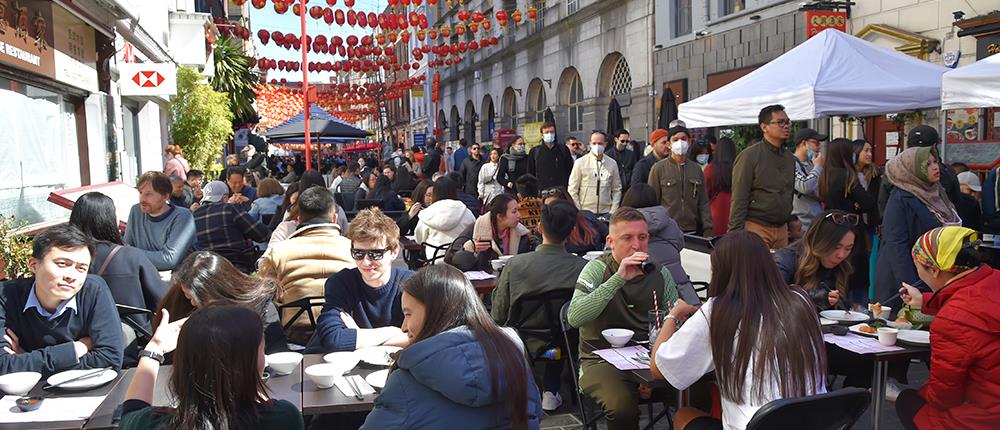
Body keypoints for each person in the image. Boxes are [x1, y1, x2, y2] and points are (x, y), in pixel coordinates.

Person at [651, 230, 827, 430]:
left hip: (759, 424)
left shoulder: (718, 310)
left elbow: (659, 369)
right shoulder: (800, 300)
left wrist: (672, 315)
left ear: (721, 270)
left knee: (684, 415)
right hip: (814, 421)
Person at [360, 265, 543, 430]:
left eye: (408, 314)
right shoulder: (514, 355)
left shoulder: (406, 383)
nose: (404, 326)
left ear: (437, 313)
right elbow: (534, 415)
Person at [568, 208, 679, 430]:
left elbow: (673, 321)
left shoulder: (659, 273)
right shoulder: (597, 269)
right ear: (610, 242)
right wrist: (618, 279)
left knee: (699, 389)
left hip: (650, 357)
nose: (637, 245)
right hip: (600, 359)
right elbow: (575, 317)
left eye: (643, 237)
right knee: (622, 407)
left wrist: (654, 370)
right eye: (627, 238)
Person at [120, 305, 303, 430]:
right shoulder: (281, 418)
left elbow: (130, 413)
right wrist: (252, 389)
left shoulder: (151, 424)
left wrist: (154, 348)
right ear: (247, 364)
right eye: (261, 350)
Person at [895, 227, 1000, 430]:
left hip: (984, 416)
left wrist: (923, 393)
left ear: (934, 269)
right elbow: (976, 304)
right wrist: (925, 300)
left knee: (907, 401)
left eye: (919, 268)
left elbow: (944, 397)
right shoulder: (993, 278)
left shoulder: (951, 321)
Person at [491, 200, 587, 412]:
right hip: (564, 347)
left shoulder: (515, 265)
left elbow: (498, 315)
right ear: (572, 232)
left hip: (524, 346)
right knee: (560, 333)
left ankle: (529, 388)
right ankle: (551, 389)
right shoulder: (583, 268)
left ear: (540, 228)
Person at [0, 225, 124, 375]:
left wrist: (24, 360)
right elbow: (2, 365)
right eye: (62, 264)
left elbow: (110, 360)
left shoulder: (93, 290)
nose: (71, 276)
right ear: (33, 265)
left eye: (81, 268)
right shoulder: (5, 295)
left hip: (85, 392)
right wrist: (75, 349)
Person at [70, 192, 167, 354]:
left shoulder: (64, 260)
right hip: (131, 345)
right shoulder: (130, 256)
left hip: (81, 346)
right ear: (109, 220)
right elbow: (164, 301)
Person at [306, 208, 413, 353]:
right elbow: (333, 339)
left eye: (375, 254)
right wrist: (391, 332)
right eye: (358, 253)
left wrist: (358, 335)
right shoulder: (340, 283)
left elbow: (424, 337)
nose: (366, 262)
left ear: (394, 252)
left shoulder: (411, 284)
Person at [258, 187, 355, 334]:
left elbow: (263, 292)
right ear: (334, 218)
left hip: (294, 332)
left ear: (298, 219)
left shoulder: (277, 252)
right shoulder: (355, 251)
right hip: (345, 330)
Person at [876, 146, 961, 309]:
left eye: (935, 161)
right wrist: (912, 286)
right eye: (927, 164)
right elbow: (895, 244)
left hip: (934, 277)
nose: (935, 167)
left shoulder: (937, 193)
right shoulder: (900, 197)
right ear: (912, 169)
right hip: (906, 279)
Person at [154, 251, 287, 354]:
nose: (193, 303)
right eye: (189, 297)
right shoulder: (182, 305)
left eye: (197, 298)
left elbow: (278, 354)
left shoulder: (261, 308)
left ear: (222, 291)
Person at [729, 105, 797, 249]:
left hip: (782, 228)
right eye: (780, 122)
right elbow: (740, 196)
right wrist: (735, 233)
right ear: (764, 127)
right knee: (758, 270)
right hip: (756, 226)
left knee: (780, 270)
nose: (786, 126)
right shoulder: (749, 156)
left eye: (788, 122)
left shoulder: (789, 158)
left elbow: (788, 193)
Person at [774, 210, 856, 311]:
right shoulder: (786, 260)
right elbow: (772, 299)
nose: (841, 255)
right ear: (817, 242)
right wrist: (813, 298)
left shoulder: (843, 266)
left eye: (848, 248)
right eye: (835, 247)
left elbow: (845, 312)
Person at [878, 125, 962, 215]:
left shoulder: (894, 170)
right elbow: (956, 203)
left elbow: (883, 205)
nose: (934, 167)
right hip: (939, 225)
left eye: (933, 162)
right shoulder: (944, 171)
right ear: (934, 146)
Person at [192, 181, 271, 273]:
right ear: (225, 197)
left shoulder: (194, 215)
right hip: (237, 267)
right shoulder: (230, 209)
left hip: (206, 270)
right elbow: (262, 234)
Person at [124, 171, 196, 271]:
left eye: (149, 194)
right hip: (144, 275)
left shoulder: (182, 216)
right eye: (140, 193)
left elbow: (169, 260)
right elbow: (126, 248)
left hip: (177, 280)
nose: (142, 199)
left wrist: (132, 254)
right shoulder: (136, 211)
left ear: (165, 196)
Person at [648, 125, 712, 235]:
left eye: (683, 139)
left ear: (689, 142)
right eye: (675, 140)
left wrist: (708, 227)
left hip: (692, 229)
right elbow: (652, 201)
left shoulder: (696, 169)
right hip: (666, 229)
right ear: (669, 144)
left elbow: (703, 202)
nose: (680, 143)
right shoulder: (658, 168)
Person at [621, 183, 690, 286]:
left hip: (642, 284)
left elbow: (611, 254)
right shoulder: (670, 223)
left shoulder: (623, 224)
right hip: (676, 281)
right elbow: (679, 245)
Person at [447, 194, 532, 271]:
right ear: (499, 216)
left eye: (518, 210)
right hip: (482, 283)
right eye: (514, 212)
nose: (519, 215)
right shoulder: (477, 228)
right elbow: (449, 258)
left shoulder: (522, 234)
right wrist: (470, 248)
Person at [415, 176, 476, 263]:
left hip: (435, 260)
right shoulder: (466, 212)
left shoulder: (428, 213)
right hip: (460, 259)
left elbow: (419, 239)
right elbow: (473, 234)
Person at [568, 131, 622, 217]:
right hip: (585, 212)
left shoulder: (612, 163)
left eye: (600, 143)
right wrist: (579, 210)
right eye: (594, 143)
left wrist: (613, 211)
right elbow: (572, 189)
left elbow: (616, 189)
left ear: (605, 144)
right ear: (590, 144)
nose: (597, 146)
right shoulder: (580, 163)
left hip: (606, 212)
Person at [542, 188, 607, 254]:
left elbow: (608, 235)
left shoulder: (587, 216)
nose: (551, 210)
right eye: (547, 207)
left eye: (555, 205)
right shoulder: (545, 228)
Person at [791, 128, 827, 230]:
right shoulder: (792, 163)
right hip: (801, 225)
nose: (818, 147)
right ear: (804, 143)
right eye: (816, 143)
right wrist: (818, 167)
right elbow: (805, 187)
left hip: (816, 221)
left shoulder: (813, 163)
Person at [704, 137, 735, 237]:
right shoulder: (738, 167)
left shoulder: (710, 169)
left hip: (715, 211)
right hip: (734, 209)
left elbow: (705, 194)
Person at [529, 122, 574, 190]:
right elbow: (530, 173)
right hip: (541, 191)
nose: (549, 134)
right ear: (542, 135)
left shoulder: (563, 149)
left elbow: (570, 170)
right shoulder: (535, 152)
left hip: (560, 191)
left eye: (552, 132)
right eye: (546, 132)